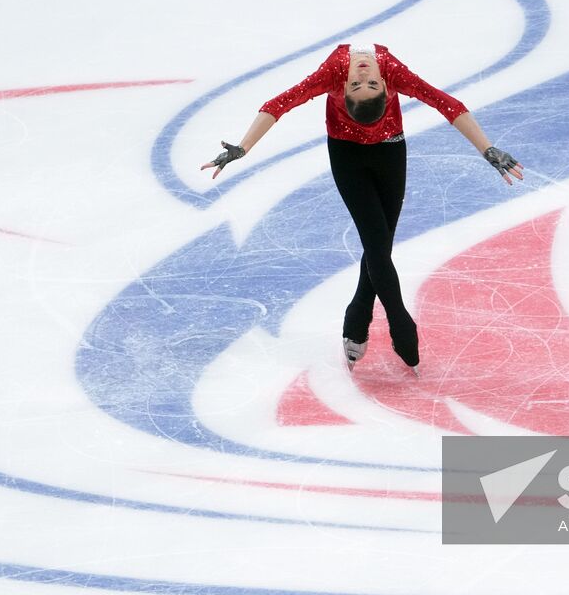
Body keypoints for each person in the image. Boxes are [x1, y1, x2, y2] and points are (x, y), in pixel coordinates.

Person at [201, 43, 524, 374]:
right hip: (347, 156)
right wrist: (242, 147)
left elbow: (447, 105)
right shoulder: (348, 74)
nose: (364, 76)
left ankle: (358, 315)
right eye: (360, 84)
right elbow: (279, 105)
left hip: (390, 152)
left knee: (379, 244)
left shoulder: (372, 74)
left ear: (386, 88)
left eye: (365, 84)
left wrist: (488, 149)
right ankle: (399, 321)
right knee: (376, 243)